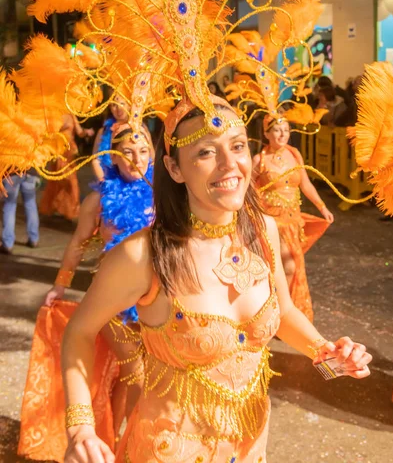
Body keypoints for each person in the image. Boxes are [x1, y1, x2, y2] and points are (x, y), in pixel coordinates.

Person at [61, 98, 371, 463]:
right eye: (207, 152)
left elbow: (283, 312)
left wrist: (326, 351)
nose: (230, 165)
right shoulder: (143, 256)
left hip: (251, 449)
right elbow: (80, 330)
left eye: (238, 146)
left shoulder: (262, 230)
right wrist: (80, 425)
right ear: (174, 168)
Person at [18, 123, 154, 462]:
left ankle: (117, 437)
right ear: (114, 158)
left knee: (135, 374)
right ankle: (136, 446)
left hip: (156, 297)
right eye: (127, 154)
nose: (136, 160)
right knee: (136, 372)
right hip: (113, 301)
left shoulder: (165, 195)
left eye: (143, 152)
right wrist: (60, 284)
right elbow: (78, 243)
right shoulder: (99, 198)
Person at [253, 116, 334, 321]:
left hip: (293, 221)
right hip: (272, 223)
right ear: (266, 134)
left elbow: (305, 184)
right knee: (288, 266)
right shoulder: (259, 160)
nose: (282, 135)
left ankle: (282, 312)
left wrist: (322, 207)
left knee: (289, 267)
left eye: (286, 130)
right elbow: (248, 191)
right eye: (277, 130)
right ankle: (281, 313)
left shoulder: (294, 154)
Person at [39, 114, 94, 220]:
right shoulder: (53, 112)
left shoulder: (71, 114)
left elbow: (79, 132)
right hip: (58, 150)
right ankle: (54, 206)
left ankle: (68, 209)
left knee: (70, 181)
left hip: (69, 151)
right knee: (59, 180)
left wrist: (86, 132)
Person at [0, 170, 40, 254]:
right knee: (30, 204)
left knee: (9, 205)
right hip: (30, 171)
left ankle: (8, 244)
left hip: (11, 172)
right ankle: (34, 239)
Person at [92, 94, 130, 182]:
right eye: (114, 105)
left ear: (129, 105)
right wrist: (104, 182)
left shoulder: (140, 129)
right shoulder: (103, 131)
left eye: (122, 104)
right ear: (110, 108)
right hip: (110, 182)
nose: (118, 108)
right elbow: (96, 160)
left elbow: (152, 159)